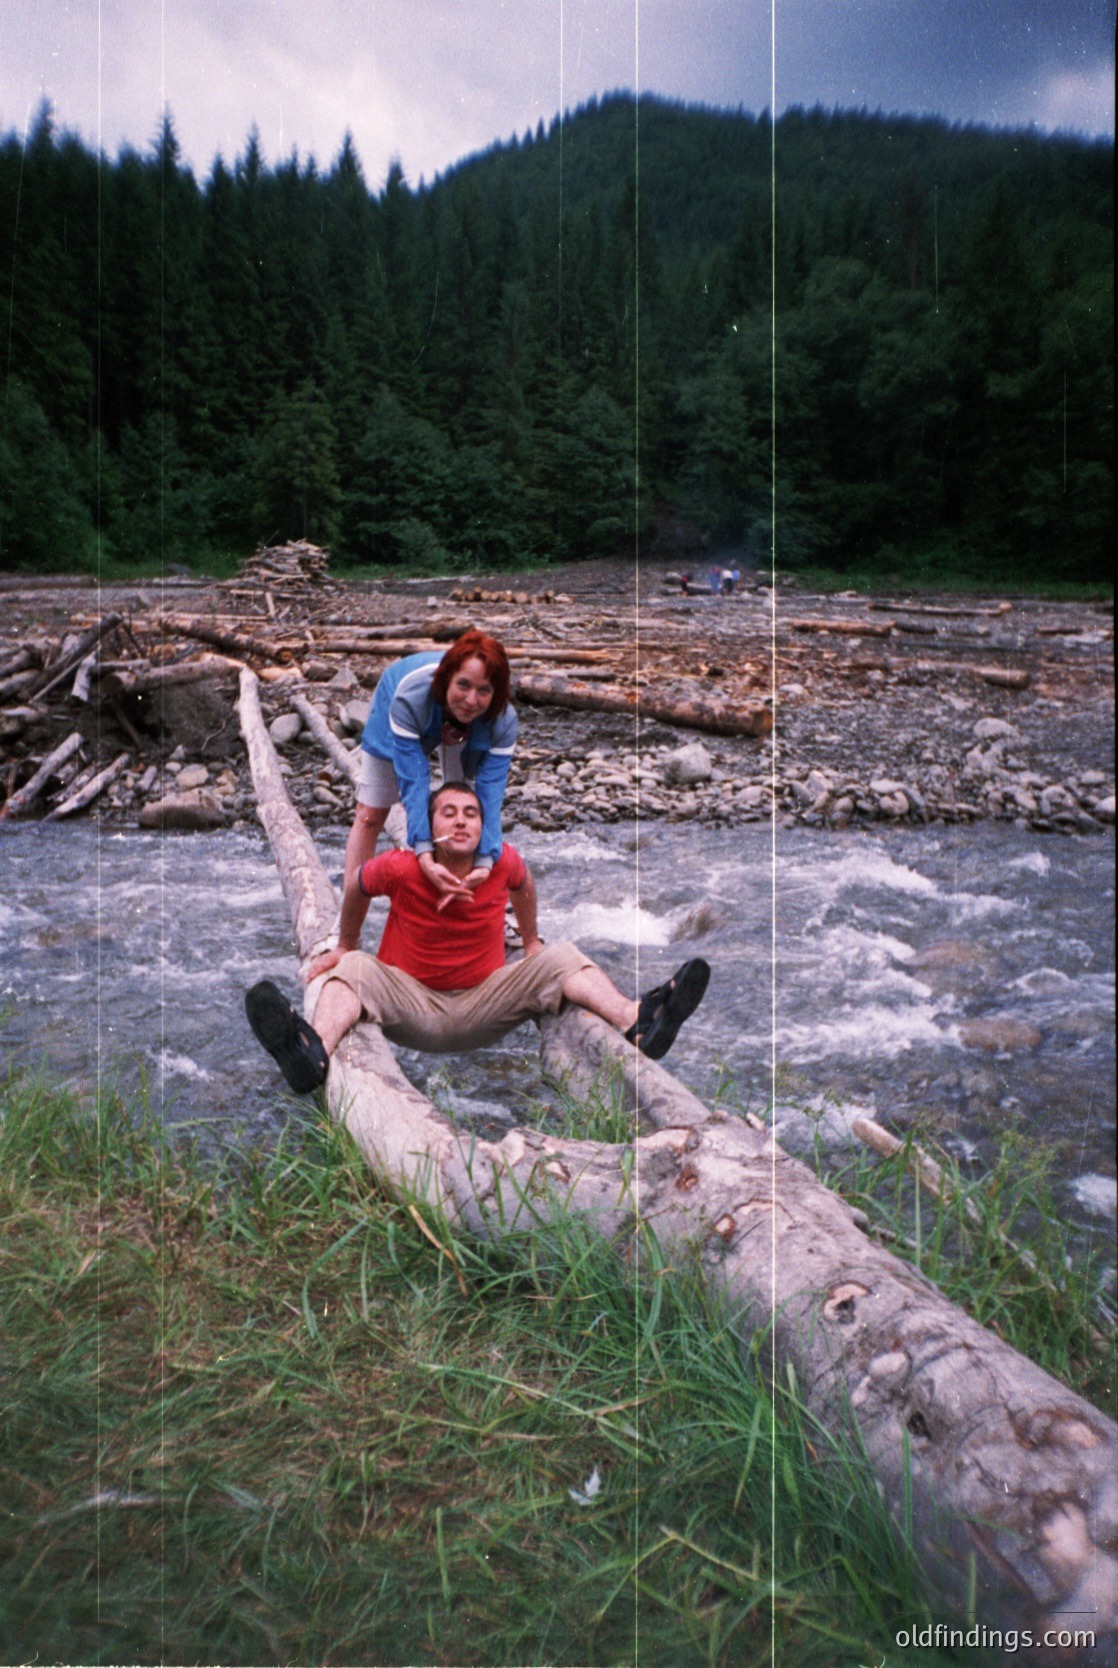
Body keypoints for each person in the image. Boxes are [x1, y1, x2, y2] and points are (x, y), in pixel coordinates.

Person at [246, 782, 710, 1093]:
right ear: (429, 828)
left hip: (484, 1006)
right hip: (410, 1006)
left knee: (560, 954)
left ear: (483, 827)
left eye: (471, 813)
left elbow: (525, 884)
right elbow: (355, 886)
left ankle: (638, 1021)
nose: (461, 821)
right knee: (353, 969)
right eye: (448, 814)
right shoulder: (402, 866)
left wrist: (530, 943)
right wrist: (345, 945)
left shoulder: (502, 860)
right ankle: (313, 1053)